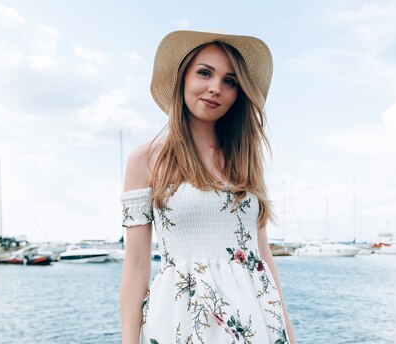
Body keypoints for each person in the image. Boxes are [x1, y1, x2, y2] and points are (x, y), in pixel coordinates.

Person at [119, 30, 297, 344]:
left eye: (229, 81)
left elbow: (263, 254)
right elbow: (135, 265)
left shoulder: (244, 158)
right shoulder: (146, 159)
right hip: (182, 319)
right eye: (205, 73)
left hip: (256, 320)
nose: (215, 88)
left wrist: (289, 333)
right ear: (182, 78)